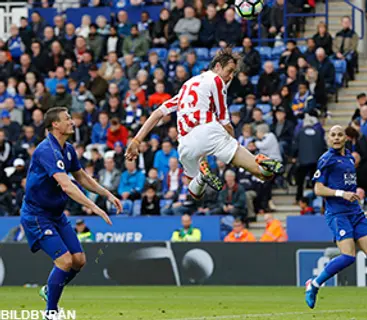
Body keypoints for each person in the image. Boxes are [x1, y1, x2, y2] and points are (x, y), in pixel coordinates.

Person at [125, 48, 284, 201]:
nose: (230, 77)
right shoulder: (217, 80)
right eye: (229, 71)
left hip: (186, 143)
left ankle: (201, 177)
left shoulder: (186, 87)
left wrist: (136, 140)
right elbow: (224, 121)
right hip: (209, 130)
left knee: (194, 192)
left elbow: (157, 113)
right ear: (217, 66)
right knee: (263, 174)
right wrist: (234, 145)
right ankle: (259, 159)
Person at [20, 107, 122, 317]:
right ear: (54, 125)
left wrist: (107, 194)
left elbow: (81, 176)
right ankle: (51, 312)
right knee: (64, 261)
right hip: (37, 215)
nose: (72, 122)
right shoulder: (46, 150)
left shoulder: (67, 149)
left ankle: (49, 290)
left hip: (56, 214)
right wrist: (94, 207)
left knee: (79, 260)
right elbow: (67, 185)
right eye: (67, 119)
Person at [305, 125, 367, 312]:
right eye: (332, 135)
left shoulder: (349, 157)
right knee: (348, 256)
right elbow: (318, 189)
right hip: (337, 214)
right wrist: (342, 193)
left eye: (339, 135)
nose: (335, 138)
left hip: (355, 212)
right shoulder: (326, 160)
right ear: (328, 138)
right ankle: (314, 284)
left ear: (345, 138)